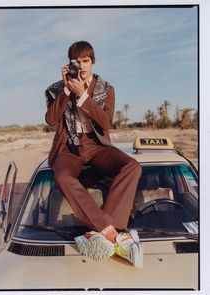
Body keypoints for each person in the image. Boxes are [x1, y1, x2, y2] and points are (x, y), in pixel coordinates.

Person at [45, 41, 143, 268]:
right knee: (62, 176)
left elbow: (107, 122)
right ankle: (113, 234)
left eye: (85, 61)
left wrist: (82, 97)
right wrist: (67, 90)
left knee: (132, 167)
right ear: (69, 63)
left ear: (93, 61)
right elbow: (51, 120)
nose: (81, 66)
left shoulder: (105, 89)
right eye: (76, 61)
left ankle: (99, 232)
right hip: (69, 147)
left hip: (97, 146)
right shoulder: (56, 89)